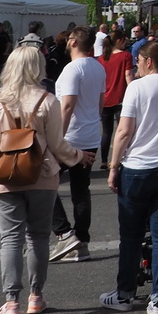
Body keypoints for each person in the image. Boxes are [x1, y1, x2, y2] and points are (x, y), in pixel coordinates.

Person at [0, 47, 82, 314]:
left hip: (4, 177)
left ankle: (11, 301)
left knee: (10, 237)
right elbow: (58, 144)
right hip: (41, 174)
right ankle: (36, 296)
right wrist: (78, 157)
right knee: (37, 236)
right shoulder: (48, 101)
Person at [101, 40, 158, 314]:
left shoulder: (137, 88)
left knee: (131, 235)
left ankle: (126, 292)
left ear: (148, 61)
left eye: (138, 60)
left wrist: (113, 165)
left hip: (139, 166)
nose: (136, 64)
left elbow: (124, 131)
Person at [49, 29, 105, 263]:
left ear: (73, 42)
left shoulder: (73, 69)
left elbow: (67, 105)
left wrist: (56, 138)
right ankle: (81, 240)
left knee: (45, 182)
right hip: (90, 134)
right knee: (81, 190)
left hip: (72, 136)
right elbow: (100, 101)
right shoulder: (97, 66)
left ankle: (64, 233)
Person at [97, 31, 133, 165]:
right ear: (119, 40)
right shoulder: (126, 56)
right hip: (121, 97)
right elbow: (128, 75)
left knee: (106, 131)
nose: (126, 43)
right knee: (123, 131)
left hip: (105, 98)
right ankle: (120, 158)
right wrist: (133, 91)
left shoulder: (102, 58)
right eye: (124, 41)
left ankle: (104, 160)